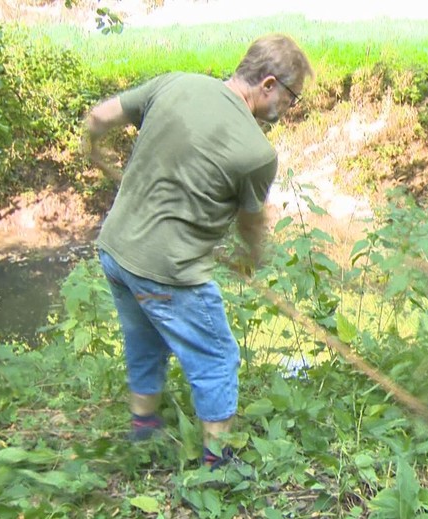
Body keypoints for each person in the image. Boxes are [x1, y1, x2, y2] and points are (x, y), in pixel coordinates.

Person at [82, 33, 313, 469]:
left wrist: (90, 143)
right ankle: (218, 464)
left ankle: (143, 435)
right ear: (267, 84)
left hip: (115, 252)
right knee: (216, 356)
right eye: (291, 96)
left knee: (145, 340)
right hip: (167, 272)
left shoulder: (175, 83)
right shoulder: (257, 153)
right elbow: (250, 223)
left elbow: (99, 116)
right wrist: (253, 258)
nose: (289, 108)